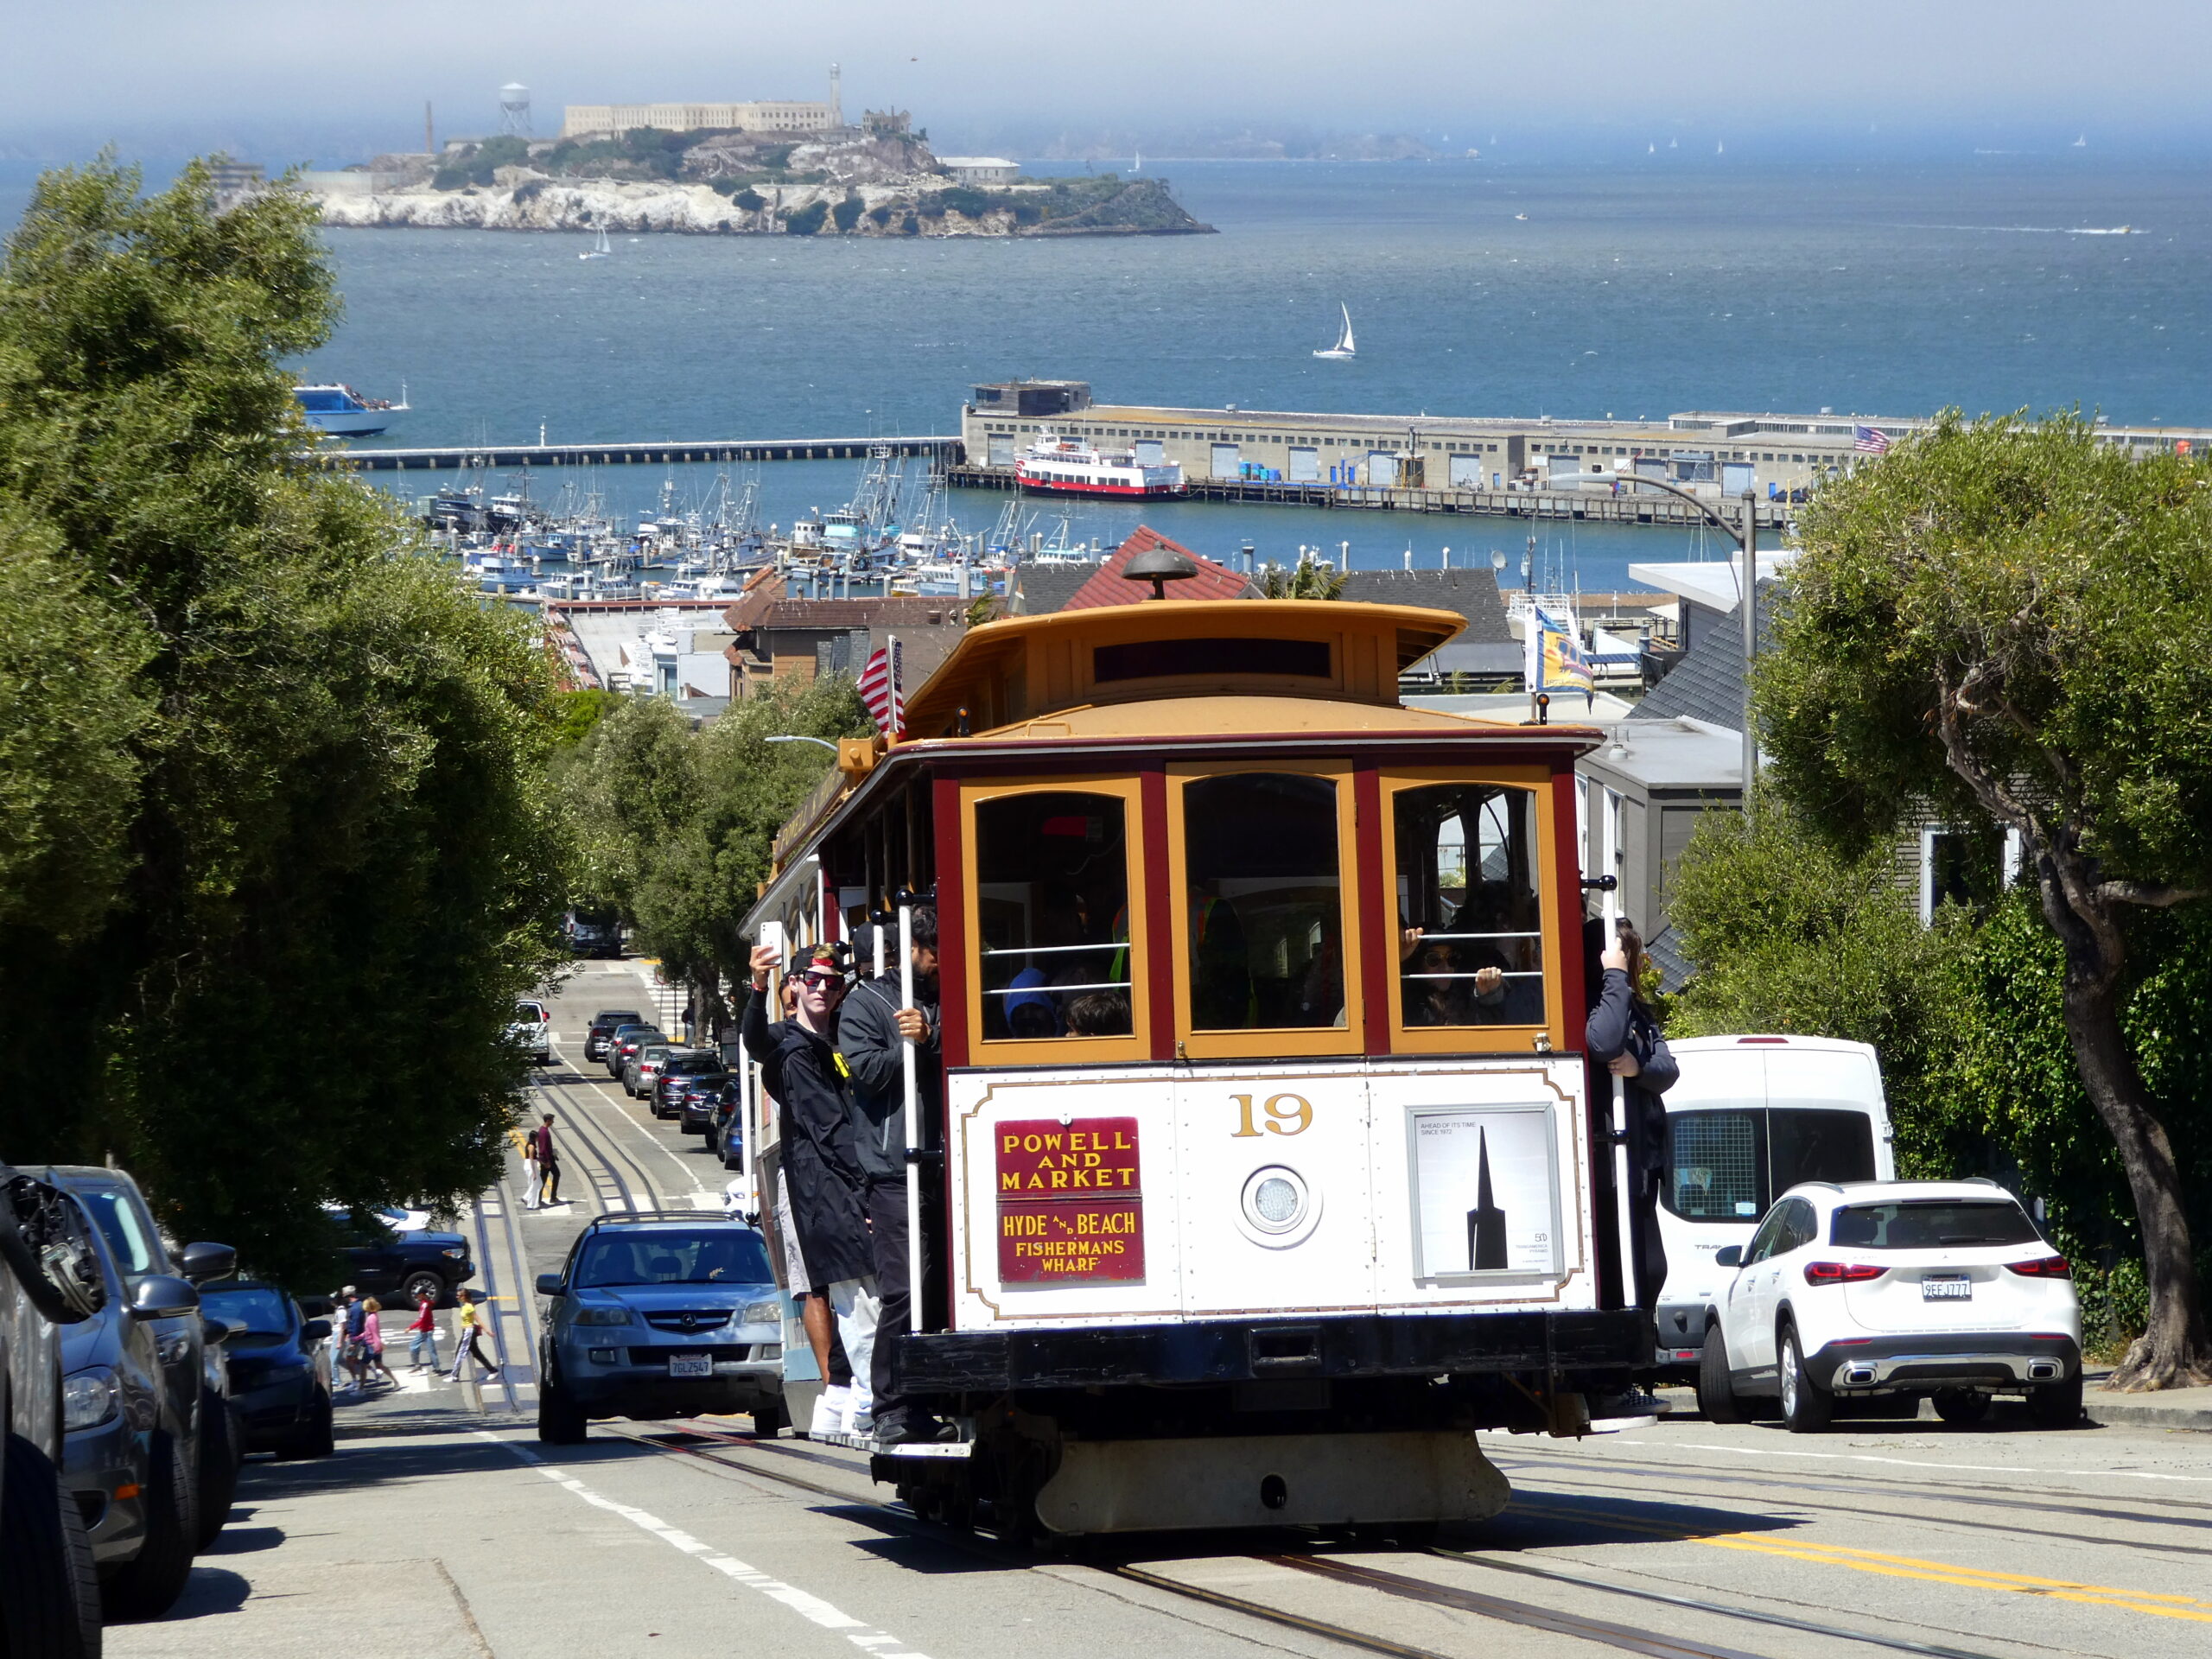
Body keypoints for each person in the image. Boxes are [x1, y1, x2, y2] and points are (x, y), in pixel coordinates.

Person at [743, 940, 878, 1435]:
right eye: (814, 979)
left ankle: (842, 1393)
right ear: (794, 986)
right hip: (823, 1185)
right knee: (849, 1293)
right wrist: (757, 987)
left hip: (844, 1177)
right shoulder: (786, 1043)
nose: (824, 988)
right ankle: (857, 1397)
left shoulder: (843, 1037)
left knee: (855, 1294)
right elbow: (755, 1040)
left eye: (834, 981)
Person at [837, 908, 954, 1447]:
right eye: (933, 950)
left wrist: (929, 1034)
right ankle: (890, 1403)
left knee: (942, 1289)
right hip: (893, 1171)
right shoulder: (863, 1004)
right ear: (912, 950)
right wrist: (906, 1045)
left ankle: (937, 1395)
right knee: (904, 1290)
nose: (939, 960)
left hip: (947, 1162)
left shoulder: (942, 1000)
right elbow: (870, 1072)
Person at [448, 1288, 500, 1384]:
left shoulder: (469, 1307)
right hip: (467, 1332)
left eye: (459, 1296)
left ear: (464, 1297)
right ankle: (493, 1370)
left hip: (469, 1333)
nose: (457, 1297)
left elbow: (478, 1320)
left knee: (460, 1353)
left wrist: (488, 1331)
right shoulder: (465, 1306)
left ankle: (454, 1376)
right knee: (476, 1353)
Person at [358, 1297, 397, 1389]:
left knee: (363, 1365)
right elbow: (369, 1332)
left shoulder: (371, 1318)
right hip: (374, 1345)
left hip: (371, 1346)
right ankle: (396, 1382)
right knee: (379, 1365)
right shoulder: (374, 1316)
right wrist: (359, 1337)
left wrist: (377, 1346)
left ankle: (361, 1388)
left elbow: (375, 1333)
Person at [405, 1287, 441, 1373]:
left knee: (431, 1351)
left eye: (417, 1295)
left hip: (427, 1331)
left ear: (422, 1295)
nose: (416, 1296)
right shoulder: (425, 1303)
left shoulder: (425, 1305)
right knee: (413, 1346)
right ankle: (417, 1365)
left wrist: (410, 1328)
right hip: (423, 1331)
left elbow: (421, 1320)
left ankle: (437, 1369)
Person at [531, 1113, 563, 1207]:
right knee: (548, 1177)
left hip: (547, 1158)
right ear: (548, 1120)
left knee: (548, 1177)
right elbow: (544, 1148)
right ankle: (549, 1197)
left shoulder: (543, 1130)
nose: (553, 1122)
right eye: (552, 1120)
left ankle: (545, 1197)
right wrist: (547, 1161)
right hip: (546, 1159)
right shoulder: (544, 1132)